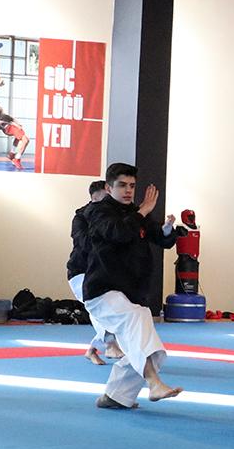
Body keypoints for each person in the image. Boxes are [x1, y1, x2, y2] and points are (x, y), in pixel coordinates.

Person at [83, 163, 182, 409]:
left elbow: (161, 239)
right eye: (122, 185)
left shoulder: (137, 213)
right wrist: (143, 211)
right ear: (109, 188)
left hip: (130, 291)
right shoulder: (98, 211)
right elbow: (118, 233)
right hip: (102, 291)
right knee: (137, 320)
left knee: (149, 342)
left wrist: (167, 229)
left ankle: (116, 396)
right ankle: (154, 382)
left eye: (132, 186)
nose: (128, 190)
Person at [66, 180, 123, 366]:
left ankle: (91, 350)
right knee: (98, 308)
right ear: (94, 198)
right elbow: (84, 242)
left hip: (104, 272)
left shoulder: (114, 217)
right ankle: (110, 343)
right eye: (104, 199)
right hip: (80, 272)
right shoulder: (81, 218)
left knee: (115, 310)